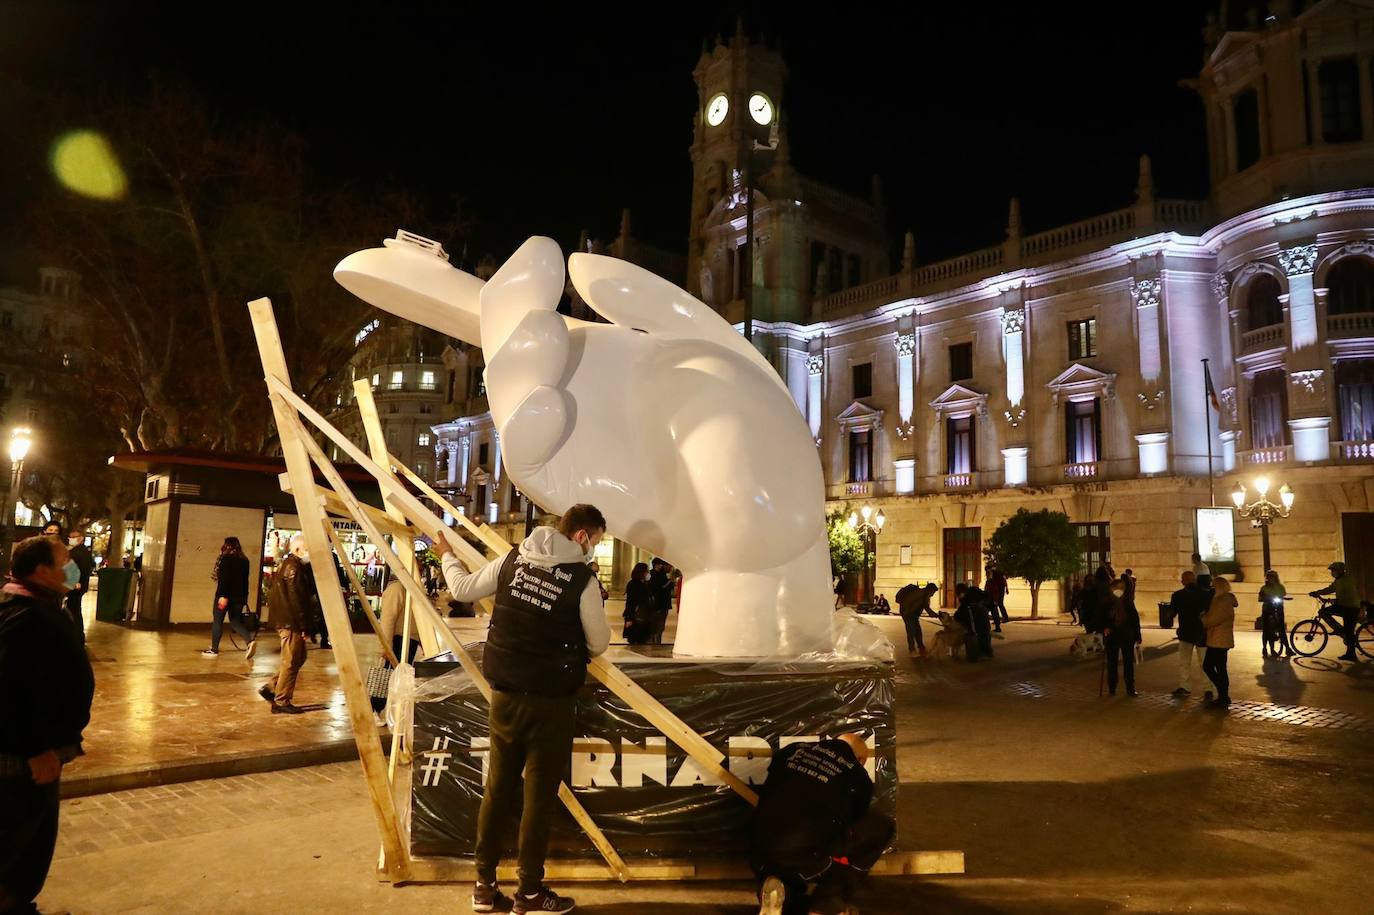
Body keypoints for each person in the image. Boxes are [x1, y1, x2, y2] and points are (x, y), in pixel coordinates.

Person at [439, 504, 611, 915]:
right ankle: (529, 892)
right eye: (598, 542)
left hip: (506, 694)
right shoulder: (581, 580)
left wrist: (446, 552)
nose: (595, 551)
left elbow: (462, 589)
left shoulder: (513, 559)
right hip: (551, 700)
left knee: (498, 787)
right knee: (538, 796)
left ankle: (483, 886)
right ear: (583, 537)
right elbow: (600, 643)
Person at [0, 536, 96, 915]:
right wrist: (37, 749)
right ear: (42, 570)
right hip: (25, 758)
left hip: (38, 750)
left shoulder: (37, 607)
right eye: (64, 560)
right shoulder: (25, 617)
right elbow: (9, 692)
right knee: (18, 846)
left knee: (29, 844)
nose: (71, 567)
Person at [752, 733, 894, 915]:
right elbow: (854, 821)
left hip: (760, 853)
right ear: (860, 759)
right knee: (880, 827)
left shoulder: (792, 750)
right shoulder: (857, 776)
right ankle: (826, 904)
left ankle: (780, 889)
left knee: (792, 857)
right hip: (806, 856)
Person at [256, 535, 317, 715]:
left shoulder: (292, 565)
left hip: (288, 620)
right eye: (308, 548)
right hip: (291, 622)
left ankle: (272, 687)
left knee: (298, 658)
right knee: (291, 661)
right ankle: (281, 700)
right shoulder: (294, 567)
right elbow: (296, 599)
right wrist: (304, 625)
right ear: (298, 550)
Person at [203, 537, 256, 661]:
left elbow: (224, 580)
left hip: (225, 596)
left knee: (218, 620)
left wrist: (223, 596)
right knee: (235, 621)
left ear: (227, 546)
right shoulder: (245, 560)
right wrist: (244, 598)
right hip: (240, 597)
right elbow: (245, 581)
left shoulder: (226, 559)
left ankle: (214, 649)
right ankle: (250, 641)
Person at [1170, 571, 1216, 700]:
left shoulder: (1178, 595)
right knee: (1205, 663)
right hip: (1201, 632)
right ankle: (1208, 689)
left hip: (1185, 632)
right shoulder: (1205, 594)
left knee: (1184, 662)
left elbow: (1172, 612)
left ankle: (1185, 687)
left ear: (1184, 581)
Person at [1310, 561, 1361, 662]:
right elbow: (1330, 589)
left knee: (1348, 630)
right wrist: (1317, 592)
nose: (1332, 573)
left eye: (1333, 571)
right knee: (1324, 612)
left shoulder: (1347, 581)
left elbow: (1347, 595)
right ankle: (1341, 633)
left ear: (1340, 571)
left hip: (1350, 607)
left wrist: (1334, 601)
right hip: (1345, 605)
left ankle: (1350, 651)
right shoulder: (1338, 581)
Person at [1201, 576, 1237, 709]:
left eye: (1213, 585)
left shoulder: (1222, 601)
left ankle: (1223, 695)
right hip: (1219, 639)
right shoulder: (1223, 600)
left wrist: (1203, 617)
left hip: (1218, 640)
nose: (1211, 587)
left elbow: (1212, 620)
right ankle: (1223, 696)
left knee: (1209, 666)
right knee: (1220, 668)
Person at [1102, 577, 1141, 696]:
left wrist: (1138, 635)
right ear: (1112, 588)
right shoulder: (1107, 602)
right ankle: (1112, 687)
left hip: (1126, 635)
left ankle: (1130, 687)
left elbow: (1135, 619)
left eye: (1122, 588)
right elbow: (1101, 618)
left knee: (1128, 663)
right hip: (1112, 636)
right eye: (1118, 588)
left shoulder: (1127, 601)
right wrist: (1105, 627)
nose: (1120, 590)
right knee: (1111, 663)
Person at [379, 578, 420, 667]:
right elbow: (387, 620)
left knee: (401, 673)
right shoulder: (396, 589)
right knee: (393, 675)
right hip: (399, 640)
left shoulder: (410, 588)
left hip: (410, 640)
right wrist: (386, 647)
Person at [894, 582, 937, 658]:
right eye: (933, 592)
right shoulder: (919, 593)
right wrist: (906, 612)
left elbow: (927, 608)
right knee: (911, 631)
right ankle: (912, 650)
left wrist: (936, 615)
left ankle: (921, 649)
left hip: (913, 615)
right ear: (929, 590)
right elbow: (908, 602)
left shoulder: (925, 595)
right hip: (908, 614)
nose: (933, 594)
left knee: (918, 631)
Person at [954, 582, 992, 660]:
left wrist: (980, 604)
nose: (959, 596)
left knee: (983, 632)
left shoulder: (973, 591)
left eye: (959, 593)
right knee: (977, 633)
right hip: (975, 616)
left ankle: (986, 653)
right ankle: (979, 653)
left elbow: (986, 596)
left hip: (981, 614)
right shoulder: (964, 598)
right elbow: (962, 610)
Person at [1258, 569, 1291, 659]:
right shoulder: (1264, 588)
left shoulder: (1280, 587)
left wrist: (1286, 598)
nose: (1270, 579)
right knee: (1267, 630)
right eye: (1269, 577)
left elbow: (1283, 595)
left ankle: (1287, 648)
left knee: (1281, 628)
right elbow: (1260, 598)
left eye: (1272, 577)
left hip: (1279, 609)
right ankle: (1266, 648)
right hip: (1268, 609)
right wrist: (1266, 598)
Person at [623, 562, 653, 645]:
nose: (648, 573)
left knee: (642, 640)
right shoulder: (633, 584)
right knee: (635, 640)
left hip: (643, 616)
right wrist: (629, 618)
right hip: (636, 617)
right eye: (647, 571)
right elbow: (630, 602)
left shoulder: (643, 584)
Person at [984, 567, 1009, 631]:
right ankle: (998, 624)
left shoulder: (993, 579)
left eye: (987, 573)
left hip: (994, 596)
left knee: (998, 606)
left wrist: (995, 600)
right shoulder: (990, 581)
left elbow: (995, 591)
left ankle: (1003, 620)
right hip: (992, 597)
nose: (986, 575)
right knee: (995, 609)